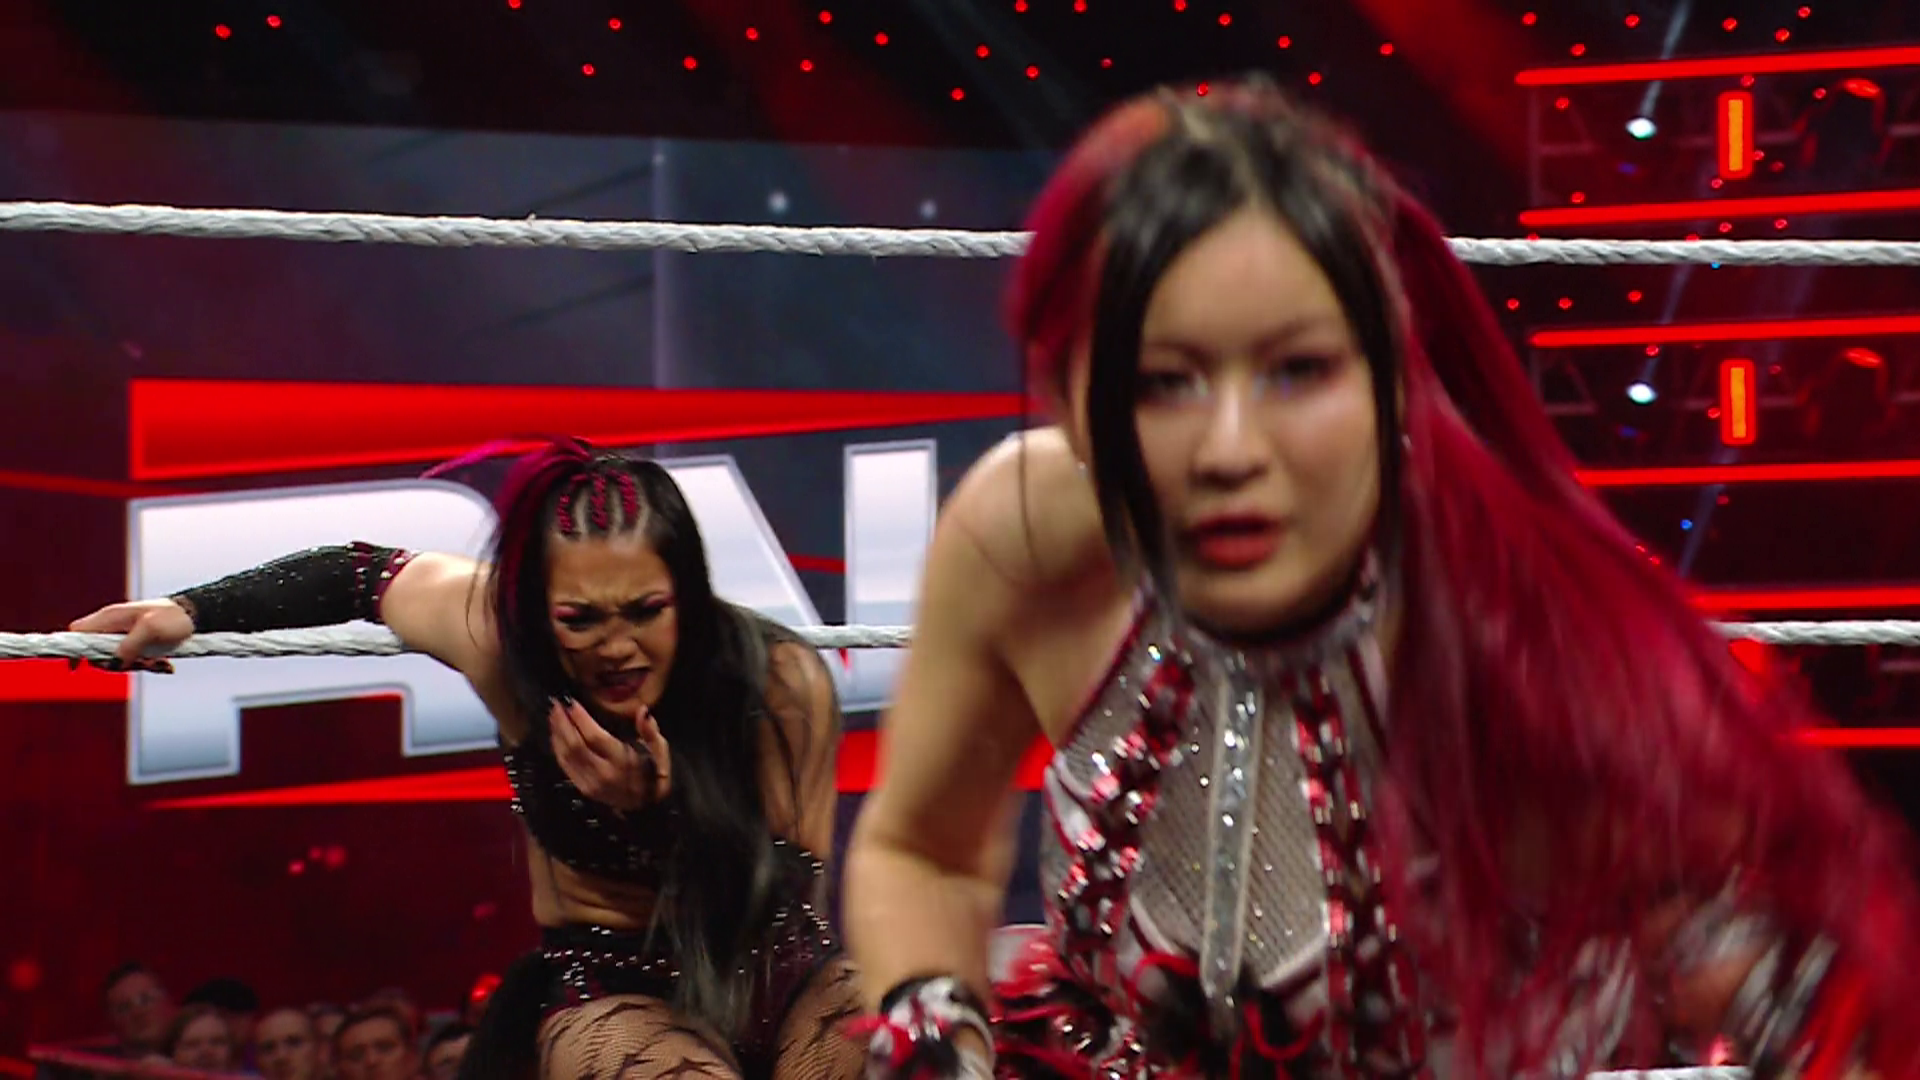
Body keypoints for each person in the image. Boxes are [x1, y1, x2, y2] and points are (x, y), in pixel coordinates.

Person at [843, 80, 1920, 1080]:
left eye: (1297, 371)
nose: (1230, 449)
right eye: (1162, 381)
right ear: (1064, 392)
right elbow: (920, 852)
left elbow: (1820, 1014)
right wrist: (937, 1046)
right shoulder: (1026, 538)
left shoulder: (1531, 652)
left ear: (1393, 379)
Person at [71, 438, 866, 1080]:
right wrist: (191, 609)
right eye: (580, 619)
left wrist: (663, 811)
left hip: (780, 971)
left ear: (687, 594)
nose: (617, 647)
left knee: (889, 1031)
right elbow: (358, 574)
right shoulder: (499, 642)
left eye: (645, 611)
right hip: (617, 983)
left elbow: (791, 888)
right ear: (536, 610)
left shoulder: (775, 678)